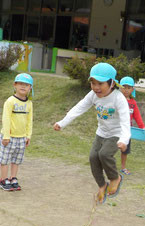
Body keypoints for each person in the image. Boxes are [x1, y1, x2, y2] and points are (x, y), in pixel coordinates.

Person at [53, 63, 130, 204]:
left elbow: (126, 121)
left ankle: (115, 178)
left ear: (112, 83)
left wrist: (124, 140)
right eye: (93, 83)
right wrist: (62, 123)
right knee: (93, 157)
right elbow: (78, 108)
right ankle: (102, 185)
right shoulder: (93, 95)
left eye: (100, 83)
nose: (96, 87)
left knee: (104, 154)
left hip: (116, 134)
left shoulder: (119, 99)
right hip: (101, 133)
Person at [0, 73, 34, 191]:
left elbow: (29, 120)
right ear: (15, 85)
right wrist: (6, 136)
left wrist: (28, 136)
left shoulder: (29, 104)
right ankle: (3, 180)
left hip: (21, 137)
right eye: (21, 84)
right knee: (5, 159)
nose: (23, 87)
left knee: (16, 160)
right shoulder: (10, 101)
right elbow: (6, 118)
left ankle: (13, 178)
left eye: (26, 85)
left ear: (30, 88)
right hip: (9, 137)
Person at [118, 76, 145, 175]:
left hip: (126, 131)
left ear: (132, 89)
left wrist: (142, 127)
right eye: (124, 87)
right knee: (110, 148)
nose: (126, 90)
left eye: (129, 88)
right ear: (119, 87)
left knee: (125, 150)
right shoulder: (117, 99)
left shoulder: (133, 103)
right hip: (115, 129)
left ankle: (123, 167)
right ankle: (107, 165)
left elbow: (137, 116)